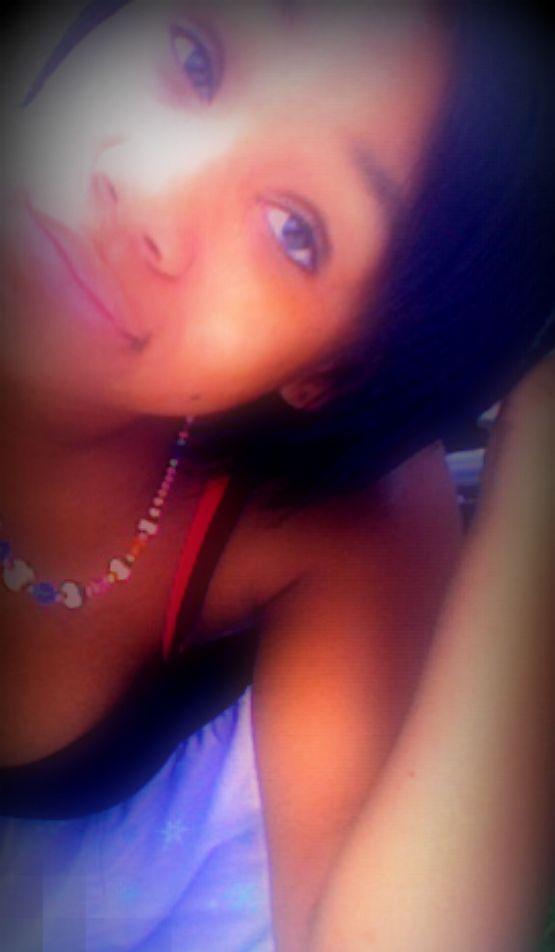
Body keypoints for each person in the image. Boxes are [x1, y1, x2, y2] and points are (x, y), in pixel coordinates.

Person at [0, 1, 553, 949]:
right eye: (194, 56)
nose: (150, 191)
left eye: (294, 230)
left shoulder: (336, 519)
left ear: (337, 366)